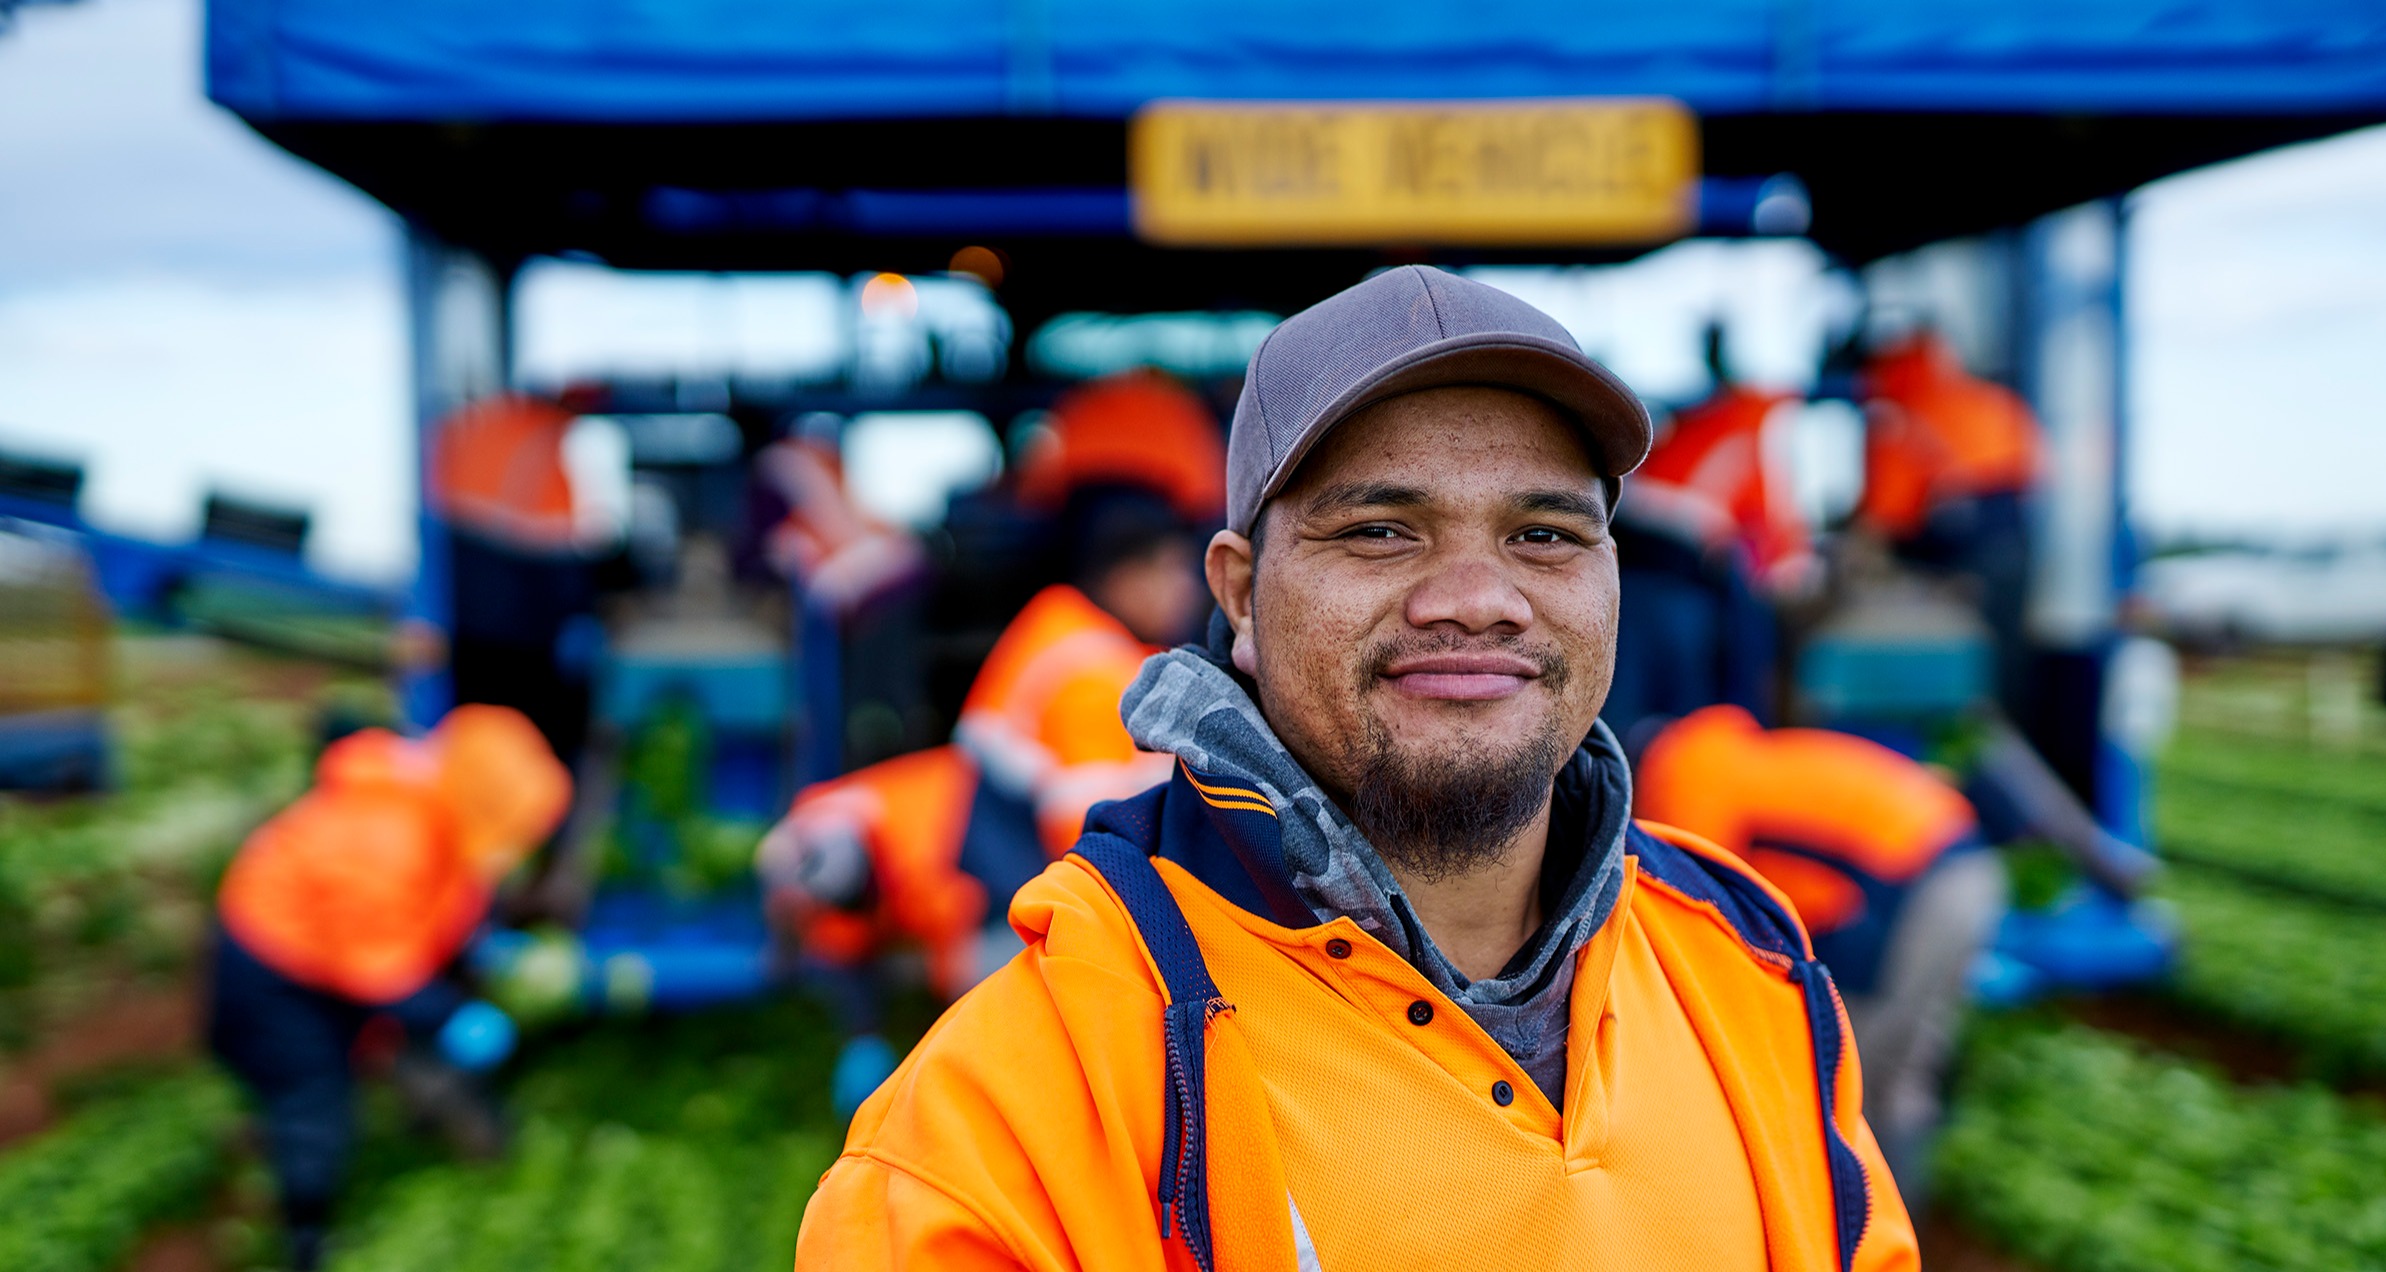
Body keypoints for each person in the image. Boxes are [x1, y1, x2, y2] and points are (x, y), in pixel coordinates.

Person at [794, 266, 1918, 1270]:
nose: (1478, 598)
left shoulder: (1752, 975)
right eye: (1381, 531)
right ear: (1237, 593)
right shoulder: (1009, 1123)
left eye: (1545, 533)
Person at [758, 378, 1220, 1112]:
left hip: (985, 901)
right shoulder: (1099, 675)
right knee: (1027, 1109)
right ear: (1128, 573)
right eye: (1171, 571)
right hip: (1021, 916)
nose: (1187, 592)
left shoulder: (1054, 627)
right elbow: (1104, 840)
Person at [207, 705, 571, 1269]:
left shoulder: (432, 807)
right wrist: (448, 1014)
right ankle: (305, 1232)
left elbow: (434, 906)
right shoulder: (389, 836)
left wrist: (480, 948)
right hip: (275, 966)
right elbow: (379, 972)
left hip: (332, 955)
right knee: (312, 1093)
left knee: (340, 1067)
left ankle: (287, 1140)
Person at [1632, 704, 2002, 1198]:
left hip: (1909, 888)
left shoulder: (1681, 774)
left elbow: (1691, 922)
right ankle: (1897, 1236)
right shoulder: (1729, 752)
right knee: (1905, 1075)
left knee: (1850, 1083)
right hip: (1967, 865)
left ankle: (1851, 1238)